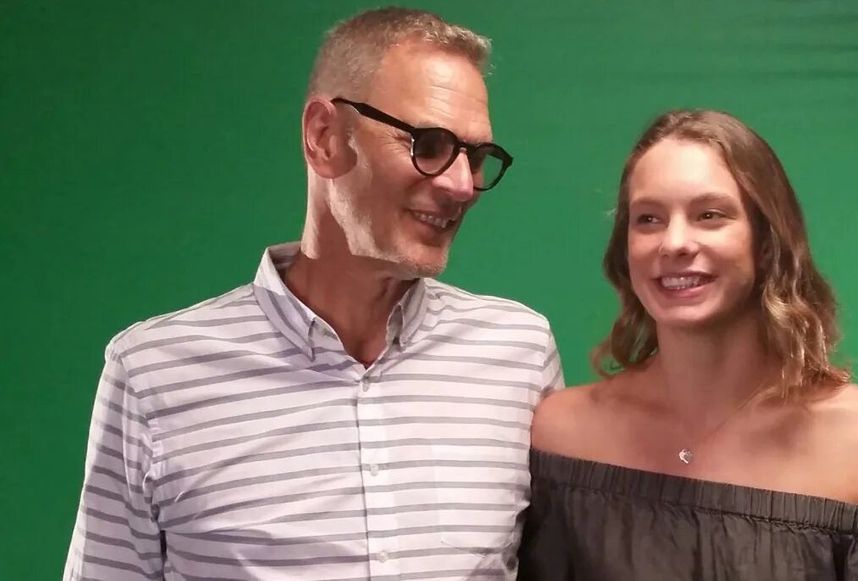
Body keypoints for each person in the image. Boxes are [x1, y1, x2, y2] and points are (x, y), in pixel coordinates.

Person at [64, 7, 562, 580]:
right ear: (324, 137)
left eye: (476, 157)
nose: (460, 185)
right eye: (429, 144)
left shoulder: (519, 354)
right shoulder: (153, 375)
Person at [518, 109, 858, 580]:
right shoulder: (561, 433)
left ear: (766, 241)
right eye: (649, 219)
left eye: (710, 215)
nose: (674, 242)